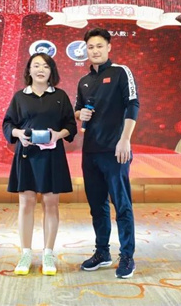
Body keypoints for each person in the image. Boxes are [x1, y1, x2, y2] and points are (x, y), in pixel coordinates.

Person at [2, 53, 77, 276]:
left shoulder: (60, 96)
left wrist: (57, 135)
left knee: (51, 204)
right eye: (36, 66)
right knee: (26, 203)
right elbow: (8, 124)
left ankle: (48, 254)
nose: (40, 70)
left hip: (52, 156)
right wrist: (19, 134)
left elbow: (70, 125)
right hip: (26, 155)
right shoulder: (20, 97)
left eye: (45, 66)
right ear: (29, 71)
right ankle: (25, 253)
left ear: (51, 71)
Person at [75, 28, 140, 279]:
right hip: (90, 151)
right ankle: (102, 252)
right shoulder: (84, 81)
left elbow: (132, 104)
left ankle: (127, 256)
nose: (95, 51)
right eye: (91, 47)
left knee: (121, 205)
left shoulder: (121, 72)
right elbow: (78, 110)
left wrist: (125, 139)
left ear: (109, 47)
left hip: (116, 150)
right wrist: (80, 114)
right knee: (97, 205)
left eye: (99, 46)